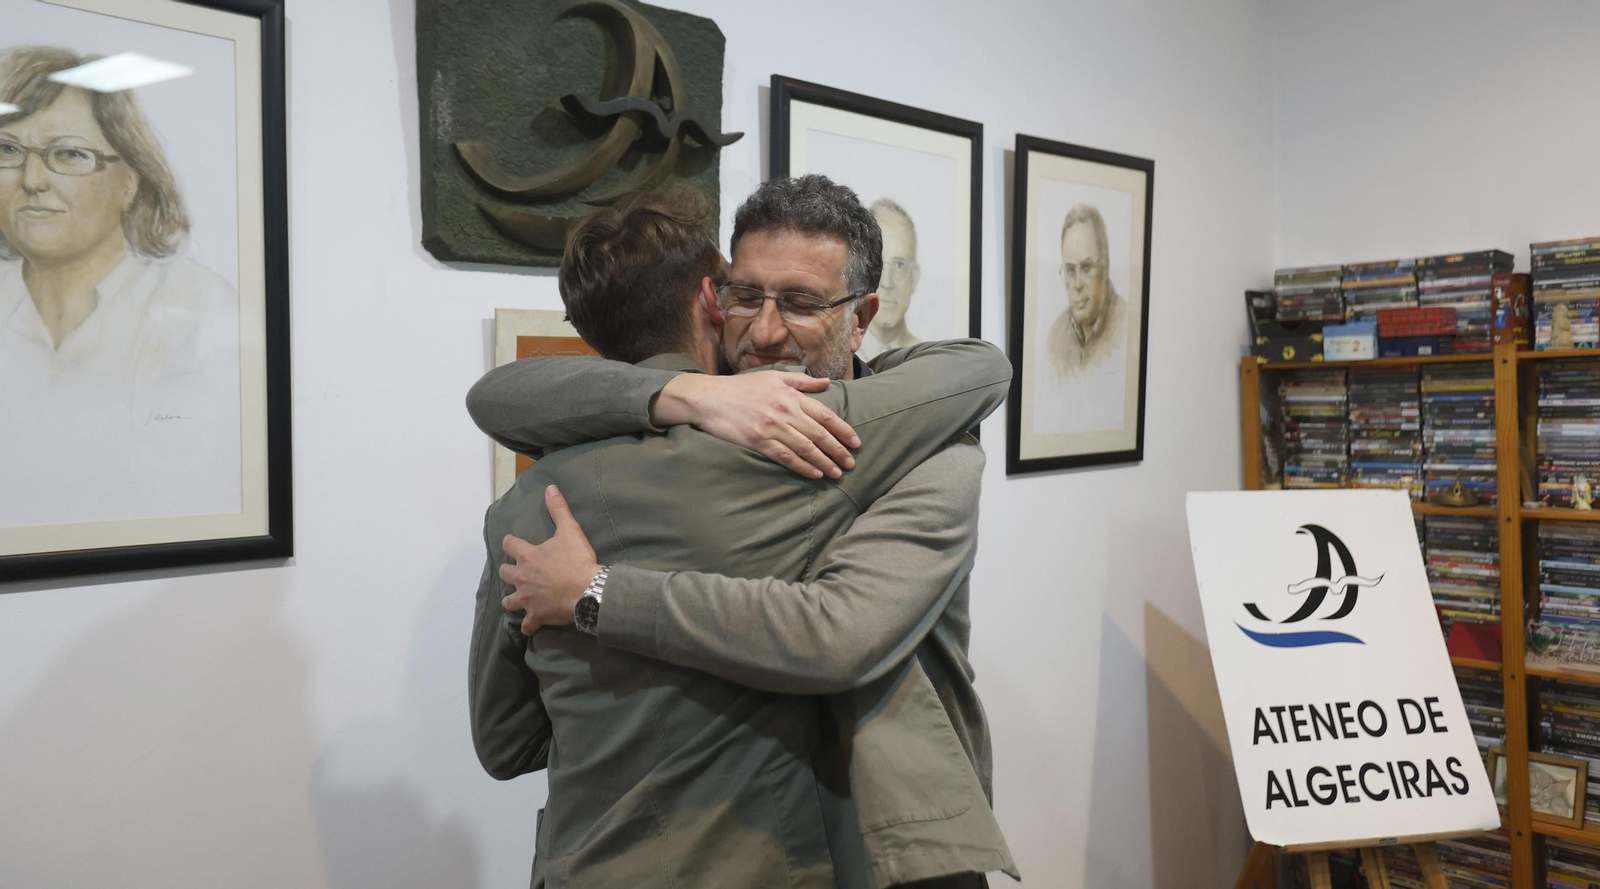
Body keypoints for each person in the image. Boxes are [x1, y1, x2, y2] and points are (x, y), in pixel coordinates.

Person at [469, 180, 1015, 888]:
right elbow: (502, 395)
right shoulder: (696, 418)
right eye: (745, 295)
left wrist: (595, 594)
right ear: (710, 297)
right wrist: (689, 393)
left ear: (861, 318)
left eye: (800, 303)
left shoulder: (920, 447)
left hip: (883, 846)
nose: (762, 331)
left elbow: (837, 637)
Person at [0, 46, 238, 527]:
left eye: (69, 154)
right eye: (7, 150)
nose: (32, 180)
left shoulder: (196, 307)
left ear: (130, 181)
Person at [1045, 203, 1127, 379]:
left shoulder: (1128, 328)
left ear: (1105, 268)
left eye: (1087, 267)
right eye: (1070, 270)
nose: (1077, 284)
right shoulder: (1054, 339)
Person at [860, 197, 921, 358]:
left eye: (899, 265)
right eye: (878, 264)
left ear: (914, 277)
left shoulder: (928, 360)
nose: (887, 283)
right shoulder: (835, 360)